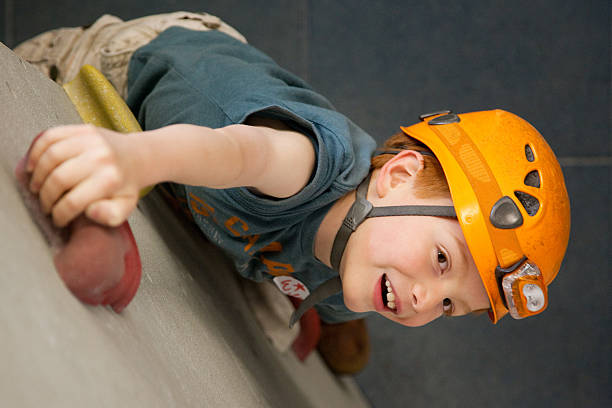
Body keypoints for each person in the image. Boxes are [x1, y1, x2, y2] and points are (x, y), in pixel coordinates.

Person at [14, 12, 571, 373]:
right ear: (396, 175)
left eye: (449, 305)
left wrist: (314, 309)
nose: (427, 299)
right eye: (442, 259)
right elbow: (242, 153)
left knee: (324, 292)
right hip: (152, 74)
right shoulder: (305, 163)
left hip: (248, 195)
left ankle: (316, 314)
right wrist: (132, 159)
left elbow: (364, 272)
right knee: (81, 143)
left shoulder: (370, 259)